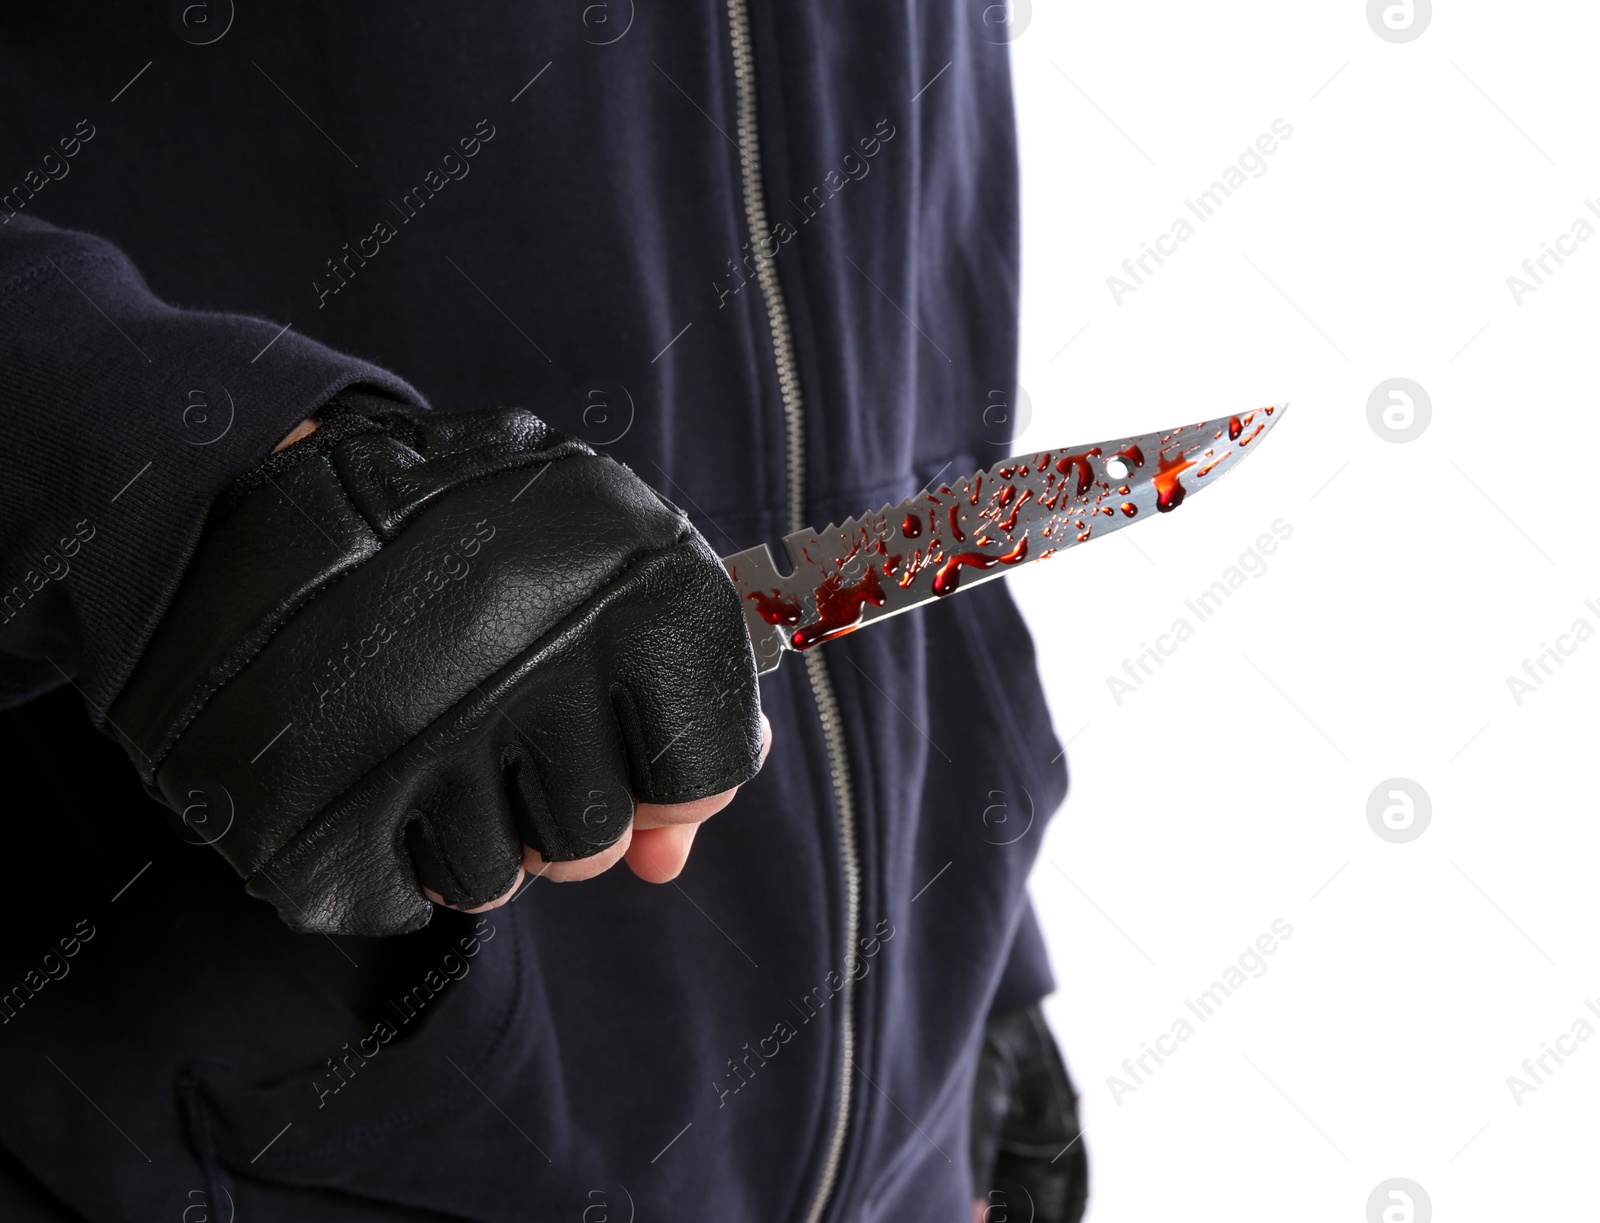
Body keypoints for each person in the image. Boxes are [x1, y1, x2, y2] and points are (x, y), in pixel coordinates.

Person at [0, 5, 1086, 1220]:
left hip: (895, 1108)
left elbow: (895, 354)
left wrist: (977, 967)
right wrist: (159, 474)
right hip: (242, 1114)